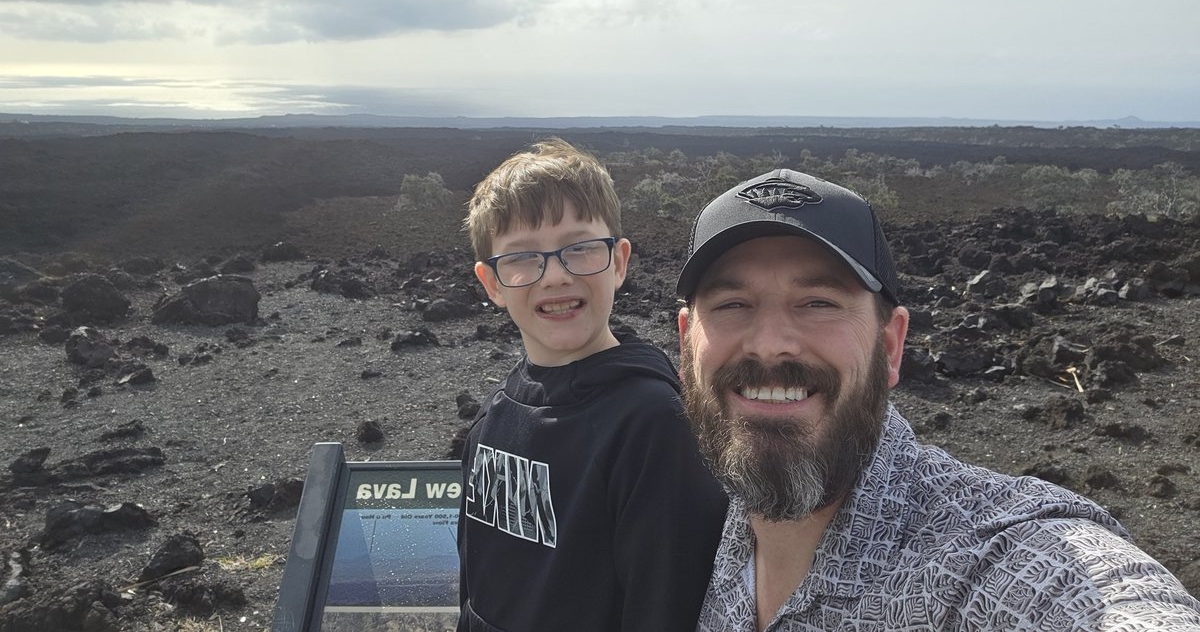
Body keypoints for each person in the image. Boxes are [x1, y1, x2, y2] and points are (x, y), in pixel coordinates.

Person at [674, 168, 1200, 631]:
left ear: (890, 345)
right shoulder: (696, 527)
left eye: (818, 302)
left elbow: (1104, 600)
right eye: (732, 303)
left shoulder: (990, 562)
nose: (769, 343)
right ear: (685, 343)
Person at [457, 138, 728, 632]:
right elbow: (476, 584)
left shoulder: (653, 425)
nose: (555, 276)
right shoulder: (494, 415)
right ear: (492, 282)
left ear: (619, 261)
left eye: (579, 249)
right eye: (521, 258)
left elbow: (664, 606)